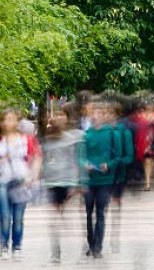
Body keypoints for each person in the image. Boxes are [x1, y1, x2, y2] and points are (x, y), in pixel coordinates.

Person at [43, 103, 85, 263]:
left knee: (68, 217)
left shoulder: (72, 138)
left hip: (68, 181)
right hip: (53, 182)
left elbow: (74, 161)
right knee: (54, 219)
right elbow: (45, 161)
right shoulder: (49, 138)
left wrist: (75, 184)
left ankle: (82, 246)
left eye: (63, 115)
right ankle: (56, 251)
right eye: (57, 115)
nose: (59, 118)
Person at [0, 108, 42, 261]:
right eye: (5, 119)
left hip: (21, 181)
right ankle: (3, 246)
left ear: (17, 121)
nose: (7, 122)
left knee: (18, 217)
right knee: (4, 216)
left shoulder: (27, 139)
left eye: (11, 118)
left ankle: (17, 246)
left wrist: (33, 177)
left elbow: (36, 157)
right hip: (3, 181)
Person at [83, 100, 122, 259]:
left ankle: (98, 246)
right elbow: (80, 156)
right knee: (88, 213)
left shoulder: (113, 134)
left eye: (100, 113)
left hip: (105, 180)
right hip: (89, 179)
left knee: (100, 212)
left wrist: (109, 164)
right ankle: (91, 242)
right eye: (94, 113)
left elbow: (118, 156)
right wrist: (84, 164)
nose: (96, 116)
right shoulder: (87, 134)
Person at [107, 99, 134, 254]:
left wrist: (117, 161)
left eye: (110, 113)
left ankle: (114, 237)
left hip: (118, 175)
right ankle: (97, 239)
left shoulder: (124, 132)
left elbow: (129, 156)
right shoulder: (98, 131)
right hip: (101, 176)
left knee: (115, 207)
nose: (106, 116)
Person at [130, 96, 154, 191]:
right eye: (147, 105)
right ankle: (148, 182)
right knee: (146, 161)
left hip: (153, 141)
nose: (149, 107)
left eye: (151, 105)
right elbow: (135, 128)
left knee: (150, 160)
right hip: (142, 142)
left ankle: (148, 182)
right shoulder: (140, 115)